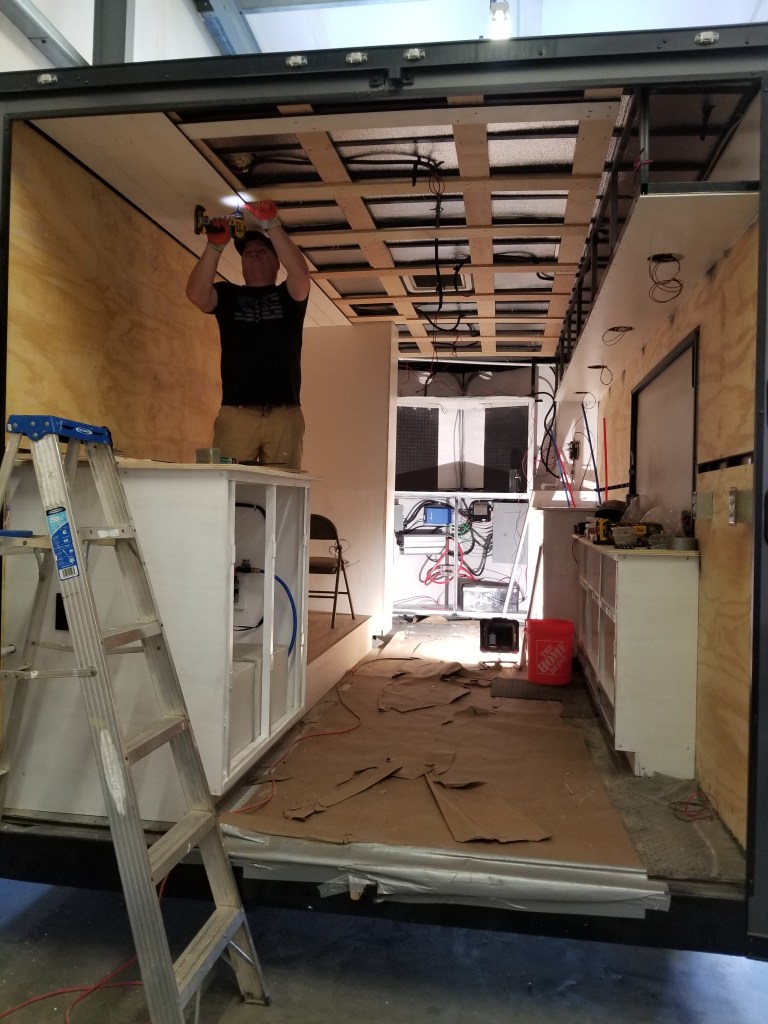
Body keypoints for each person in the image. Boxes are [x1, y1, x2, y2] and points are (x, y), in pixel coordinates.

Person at [186, 200, 311, 470]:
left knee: (283, 485)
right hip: (236, 412)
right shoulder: (228, 295)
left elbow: (301, 273)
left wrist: (271, 223)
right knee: (226, 483)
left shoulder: (288, 296)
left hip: (284, 412)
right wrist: (215, 246)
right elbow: (196, 294)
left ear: (276, 262)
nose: (253, 255)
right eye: (247, 253)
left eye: (261, 251)